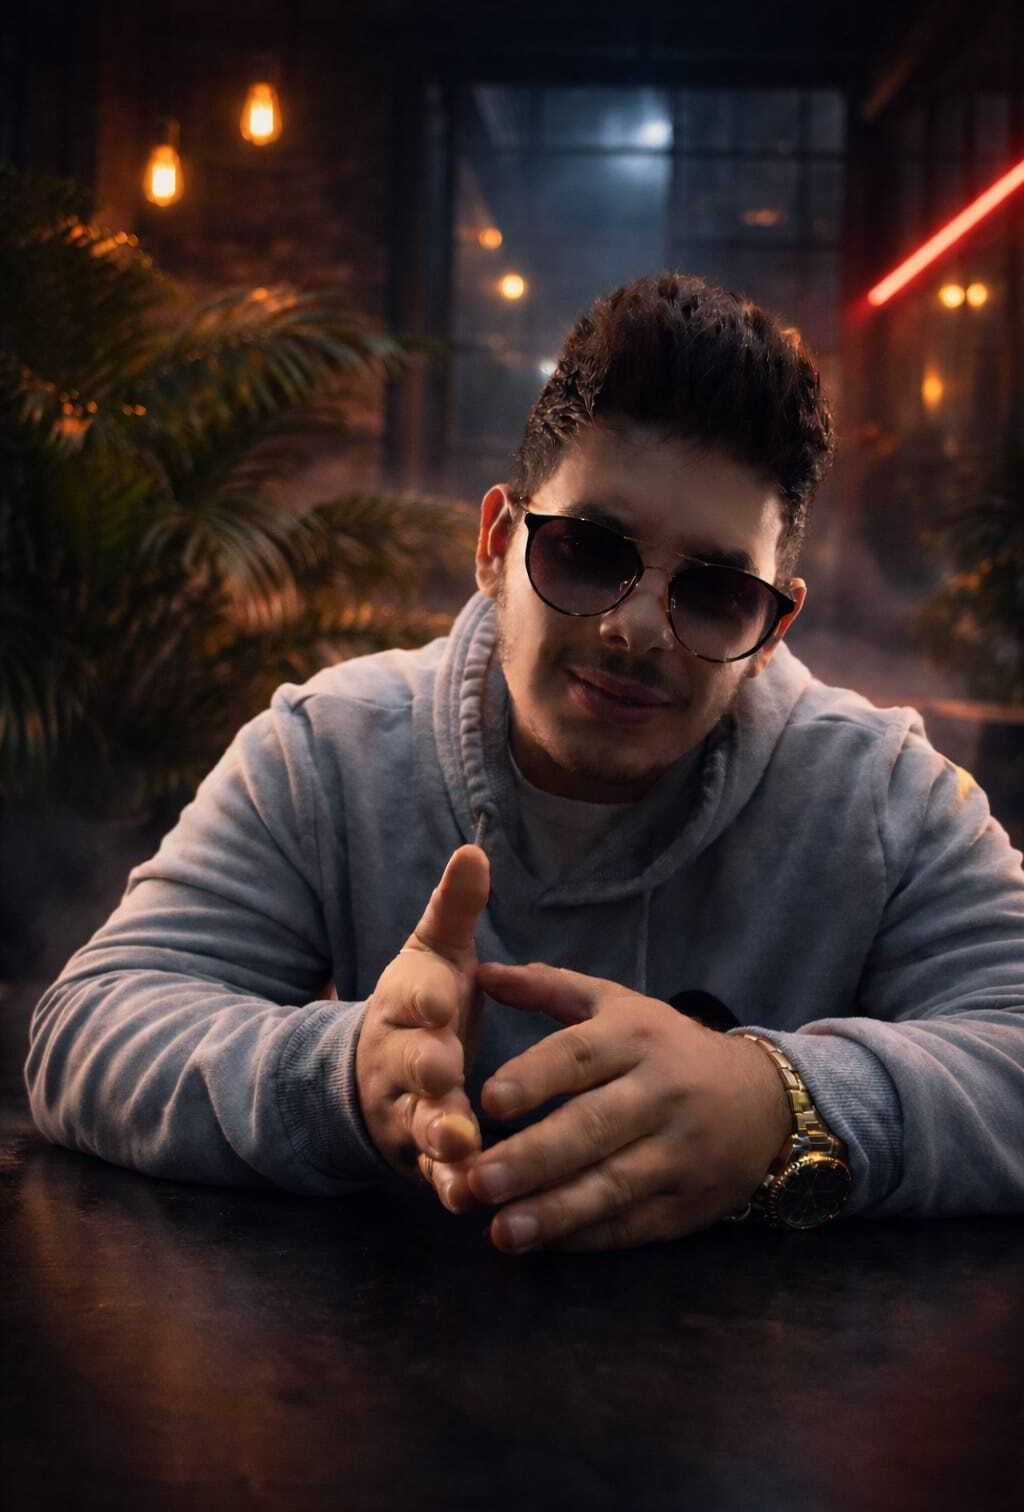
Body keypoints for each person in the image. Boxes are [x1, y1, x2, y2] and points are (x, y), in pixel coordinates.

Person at [25, 273, 1024, 1253]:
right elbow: (91, 1026)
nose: (637, 629)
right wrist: (343, 1076)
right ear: (496, 544)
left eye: (716, 593)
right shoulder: (331, 749)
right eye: (590, 552)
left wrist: (780, 1106)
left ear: (772, 630)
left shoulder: (881, 793)